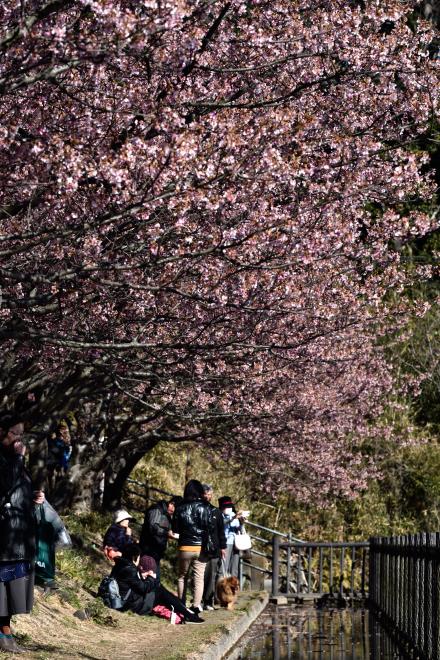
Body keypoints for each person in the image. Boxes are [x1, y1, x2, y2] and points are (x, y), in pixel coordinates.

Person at [0, 416, 36, 654]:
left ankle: (6, 633)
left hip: (18, 535)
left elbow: (17, 487)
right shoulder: (7, 459)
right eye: (14, 434)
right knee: (3, 589)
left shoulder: (13, 460)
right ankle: (4, 635)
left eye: (21, 436)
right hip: (5, 536)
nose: (18, 441)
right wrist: (18, 457)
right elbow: (4, 484)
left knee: (12, 590)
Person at [110, 544, 204, 623]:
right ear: (134, 557)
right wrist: (151, 578)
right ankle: (187, 614)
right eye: (139, 557)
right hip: (130, 606)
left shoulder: (120, 565)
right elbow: (143, 588)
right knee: (159, 590)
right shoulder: (129, 570)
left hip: (123, 601)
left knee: (160, 591)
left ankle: (185, 612)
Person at [172, 479, 211, 613]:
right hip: (200, 547)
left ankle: (181, 605)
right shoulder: (204, 507)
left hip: (184, 547)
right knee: (199, 578)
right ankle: (195, 606)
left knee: (182, 577)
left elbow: (175, 529)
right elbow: (208, 527)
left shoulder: (180, 507)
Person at [139, 496, 182, 579]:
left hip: (156, 552)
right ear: (171, 504)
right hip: (148, 549)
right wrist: (166, 533)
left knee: (154, 579)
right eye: (175, 510)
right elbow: (153, 527)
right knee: (149, 578)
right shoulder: (156, 510)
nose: (174, 513)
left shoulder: (167, 515)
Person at [201, 484, 226, 610]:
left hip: (214, 549)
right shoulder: (198, 509)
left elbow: (221, 531)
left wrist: (223, 547)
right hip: (200, 548)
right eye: (205, 494)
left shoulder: (216, 512)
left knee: (212, 576)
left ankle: (207, 601)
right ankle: (198, 599)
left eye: (209, 494)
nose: (207, 496)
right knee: (200, 575)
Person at [218, 496, 245, 579]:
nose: (228, 508)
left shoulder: (234, 515)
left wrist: (241, 522)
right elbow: (222, 524)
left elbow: (240, 529)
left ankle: (233, 585)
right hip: (226, 543)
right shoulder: (219, 516)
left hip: (236, 543)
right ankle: (223, 585)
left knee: (234, 566)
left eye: (229, 506)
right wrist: (233, 518)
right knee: (224, 566)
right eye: (226, 507)